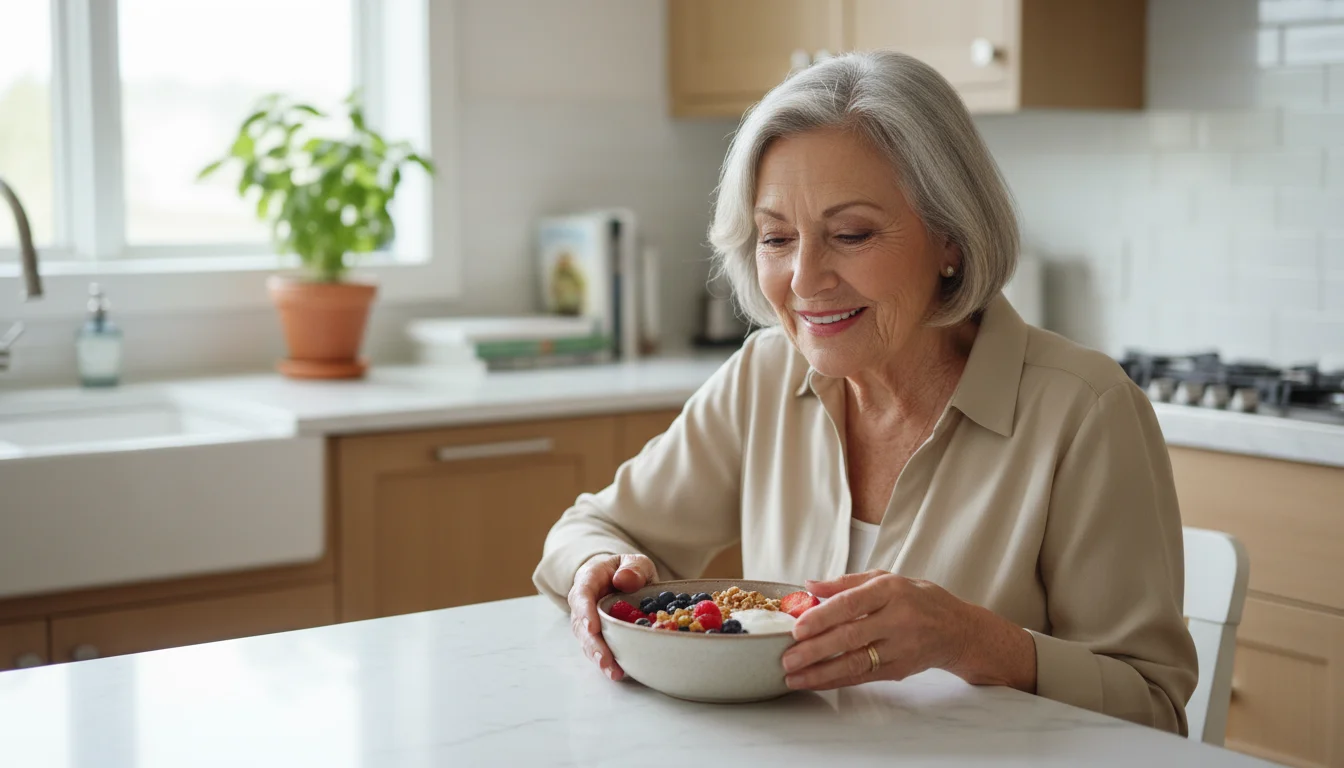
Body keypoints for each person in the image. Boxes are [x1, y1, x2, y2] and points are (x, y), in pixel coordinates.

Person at [533, 50, 1197, 735]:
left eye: (850, 235)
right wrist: (599, 570)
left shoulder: (1084, 411)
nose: (805, 278)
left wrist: (973, 640)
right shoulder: (766, 375)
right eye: (777, 238)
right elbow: (591, 529)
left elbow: (1154, 709)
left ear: (951, 239)